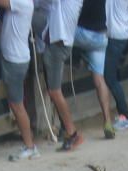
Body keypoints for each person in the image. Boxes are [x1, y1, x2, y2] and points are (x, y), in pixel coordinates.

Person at [0, 0, 40, 161]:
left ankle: (30, 146)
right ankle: (29, 144)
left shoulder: (22, 2)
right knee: (17, 104)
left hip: (15, 60)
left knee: (17, 105)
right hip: (12, 57)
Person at [42, 0, 84, 151]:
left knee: (55, 91)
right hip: (58, 42)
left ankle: (71, 132)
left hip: (58, 44)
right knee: (54, 91)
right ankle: (69, 131)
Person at [73, 0, 116, 140]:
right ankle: (108, 121)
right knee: (99, 79)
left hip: (82, 33)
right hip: (100, 36)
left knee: (59, 29)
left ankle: (76, 59)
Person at [103, 0, 128, 131]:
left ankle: (125, 116)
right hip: (117, 34)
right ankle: (123, 115)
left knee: (110, 77)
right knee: (112, 76)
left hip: (117, 36)